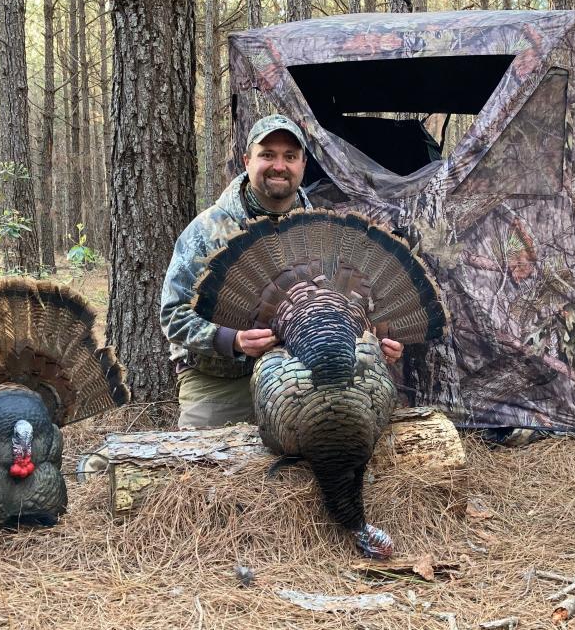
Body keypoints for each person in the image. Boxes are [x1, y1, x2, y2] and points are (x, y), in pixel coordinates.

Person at [160, 114, 404, 429]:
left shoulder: (325, 230)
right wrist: (232, 340)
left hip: (304, 371)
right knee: (208, 470)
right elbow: (173, 314)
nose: (279, 165)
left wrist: (377, 341)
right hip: (221, 381)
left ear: (303, 165)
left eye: (290, 156)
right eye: (267, 155)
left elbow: (349, 306)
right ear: (247, 160)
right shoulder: (208, 230)